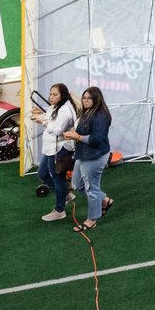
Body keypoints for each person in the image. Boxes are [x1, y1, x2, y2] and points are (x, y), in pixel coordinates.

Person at [63, 87, 113, 225]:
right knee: (77, 184)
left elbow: (97, 138)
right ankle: (104, 200)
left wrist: (77, 136)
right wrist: (74, 132)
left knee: (92, 189)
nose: (85, 100)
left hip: (95, 155)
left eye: (89, 98)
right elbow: (82, 129)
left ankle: (92, 219)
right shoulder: (88, 111)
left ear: (96, 99)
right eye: (84, 97)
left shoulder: (100, 116)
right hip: (84, 154)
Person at [30, 82, 77, 221]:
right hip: (51, 148)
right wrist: (42, 116)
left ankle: (59, 210)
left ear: (62, 95)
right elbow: (52, 120)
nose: (51, 97)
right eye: (50, 94)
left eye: (55, 94)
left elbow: (58, 129)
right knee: (43, 173)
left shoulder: (64, 110)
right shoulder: (58, 106)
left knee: (58, 178)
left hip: (59, 149)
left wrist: (42, 121)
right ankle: (65, 194)